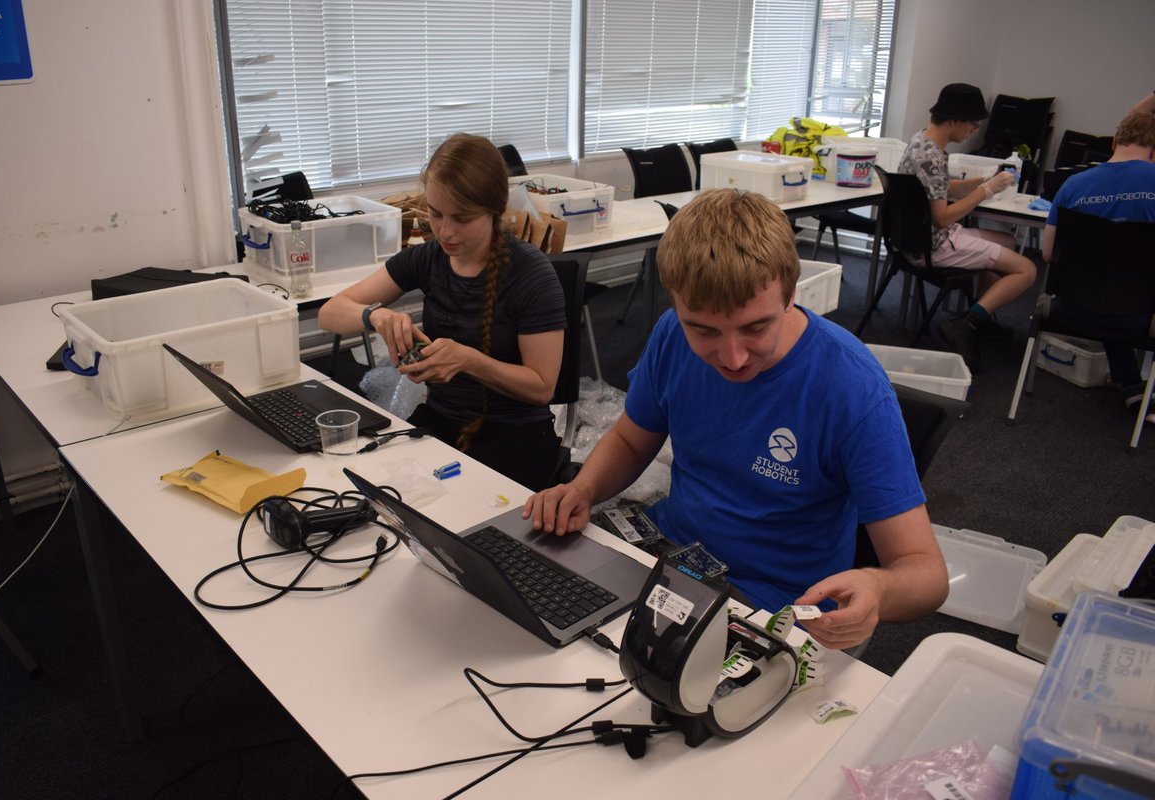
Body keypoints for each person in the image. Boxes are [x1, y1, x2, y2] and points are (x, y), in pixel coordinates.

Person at [523, 189, 948, 650]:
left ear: (790, 294)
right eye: (703, 330)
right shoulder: (671, 335)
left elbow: (924, 570)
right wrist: (583, 489)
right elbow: (631, 440)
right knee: (540, 626)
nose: (732, 357)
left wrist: (878, 589)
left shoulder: (851, 388)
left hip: (777, 604)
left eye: (755, 327)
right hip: (672, 559)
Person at [318, 133, 567, 491]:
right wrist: (375, 316)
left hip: (517, 432)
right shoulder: (429, 258)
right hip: (443, 419)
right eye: (435, 214)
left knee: (460, 518)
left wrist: (468, 360)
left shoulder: (532, 275)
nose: (446, 232)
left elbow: (542, 388)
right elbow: (330, 313)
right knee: (380, 495)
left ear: (494, 210)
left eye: (462, 218)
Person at [898, 83, 1038, 371]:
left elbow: (940, 189)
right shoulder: (932, 157)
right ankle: (968, 323)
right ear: (954, 120)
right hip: (936, 244)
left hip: (919, 239)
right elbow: (943, 217)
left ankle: (981, 318)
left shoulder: (921, 141)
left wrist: (985, 180)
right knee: (1028, 270)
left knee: (1006, 241)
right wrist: (985, 191)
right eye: (973, 124)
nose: (974, 130)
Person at [1041, 111, 1155, 418]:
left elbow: (1048, 254)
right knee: (1127, 290)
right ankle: (1140, 390)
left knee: (1106, 284)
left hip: (1072, 307)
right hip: (1136, 318)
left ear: (1116, 141)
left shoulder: (1073, 185)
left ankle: (1131, 385)